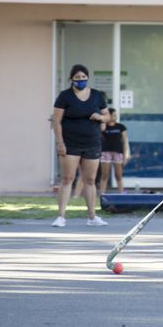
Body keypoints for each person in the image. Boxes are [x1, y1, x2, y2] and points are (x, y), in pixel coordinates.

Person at [52, 64, 110, 227]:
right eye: (77, 78)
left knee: (90, 180)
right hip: (70, 143)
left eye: (83, 77)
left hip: (92, 142)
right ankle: (61, 217)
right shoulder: (65, 96)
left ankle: (92, 217)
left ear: (87, 78)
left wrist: (99, 117)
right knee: (67, 179)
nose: (81, 80)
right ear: (71, 79)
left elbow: (107, 116)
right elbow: (56, 121)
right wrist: (60, 142)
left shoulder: (97, 95)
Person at [100, 108, 130, 194]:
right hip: (106, 152)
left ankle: (121, 194)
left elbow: (125, 142)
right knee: (104, 175)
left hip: (118, 153)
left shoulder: (121, 127)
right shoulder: (104, 127)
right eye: (113, 115)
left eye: (116, 115)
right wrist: (103, 124)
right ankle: (102, 195)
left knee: (118, 175)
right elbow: (99, 137)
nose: (115, 117)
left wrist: (125, 156)